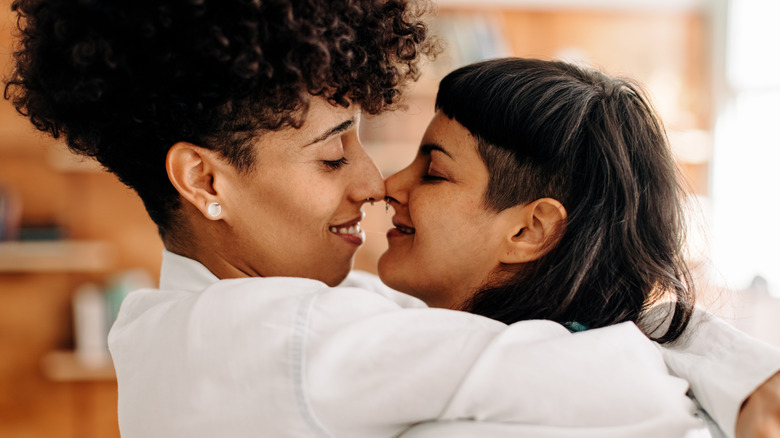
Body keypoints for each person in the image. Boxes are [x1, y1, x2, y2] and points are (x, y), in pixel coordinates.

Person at [5, 1, 779, 437]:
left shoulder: (202, 323)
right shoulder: (278, 340)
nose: (377, 184)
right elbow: (624, 387)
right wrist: (735, 376)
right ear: (205, 178)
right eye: (333, 157)